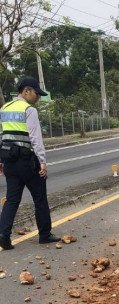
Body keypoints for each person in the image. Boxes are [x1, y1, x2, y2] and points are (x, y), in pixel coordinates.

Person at [0, 77, 60, 250]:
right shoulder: (29, 110)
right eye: (36, 94)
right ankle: (45, 235)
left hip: (10, 161)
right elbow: (35, 139)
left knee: (11, 200)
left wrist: (1, 160)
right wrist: (42, 161)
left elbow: (2, 136)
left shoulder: (4, 108)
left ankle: (4, 234)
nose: (38, 98)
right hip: (28, 161)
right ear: (26, 91)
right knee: (40, 198)